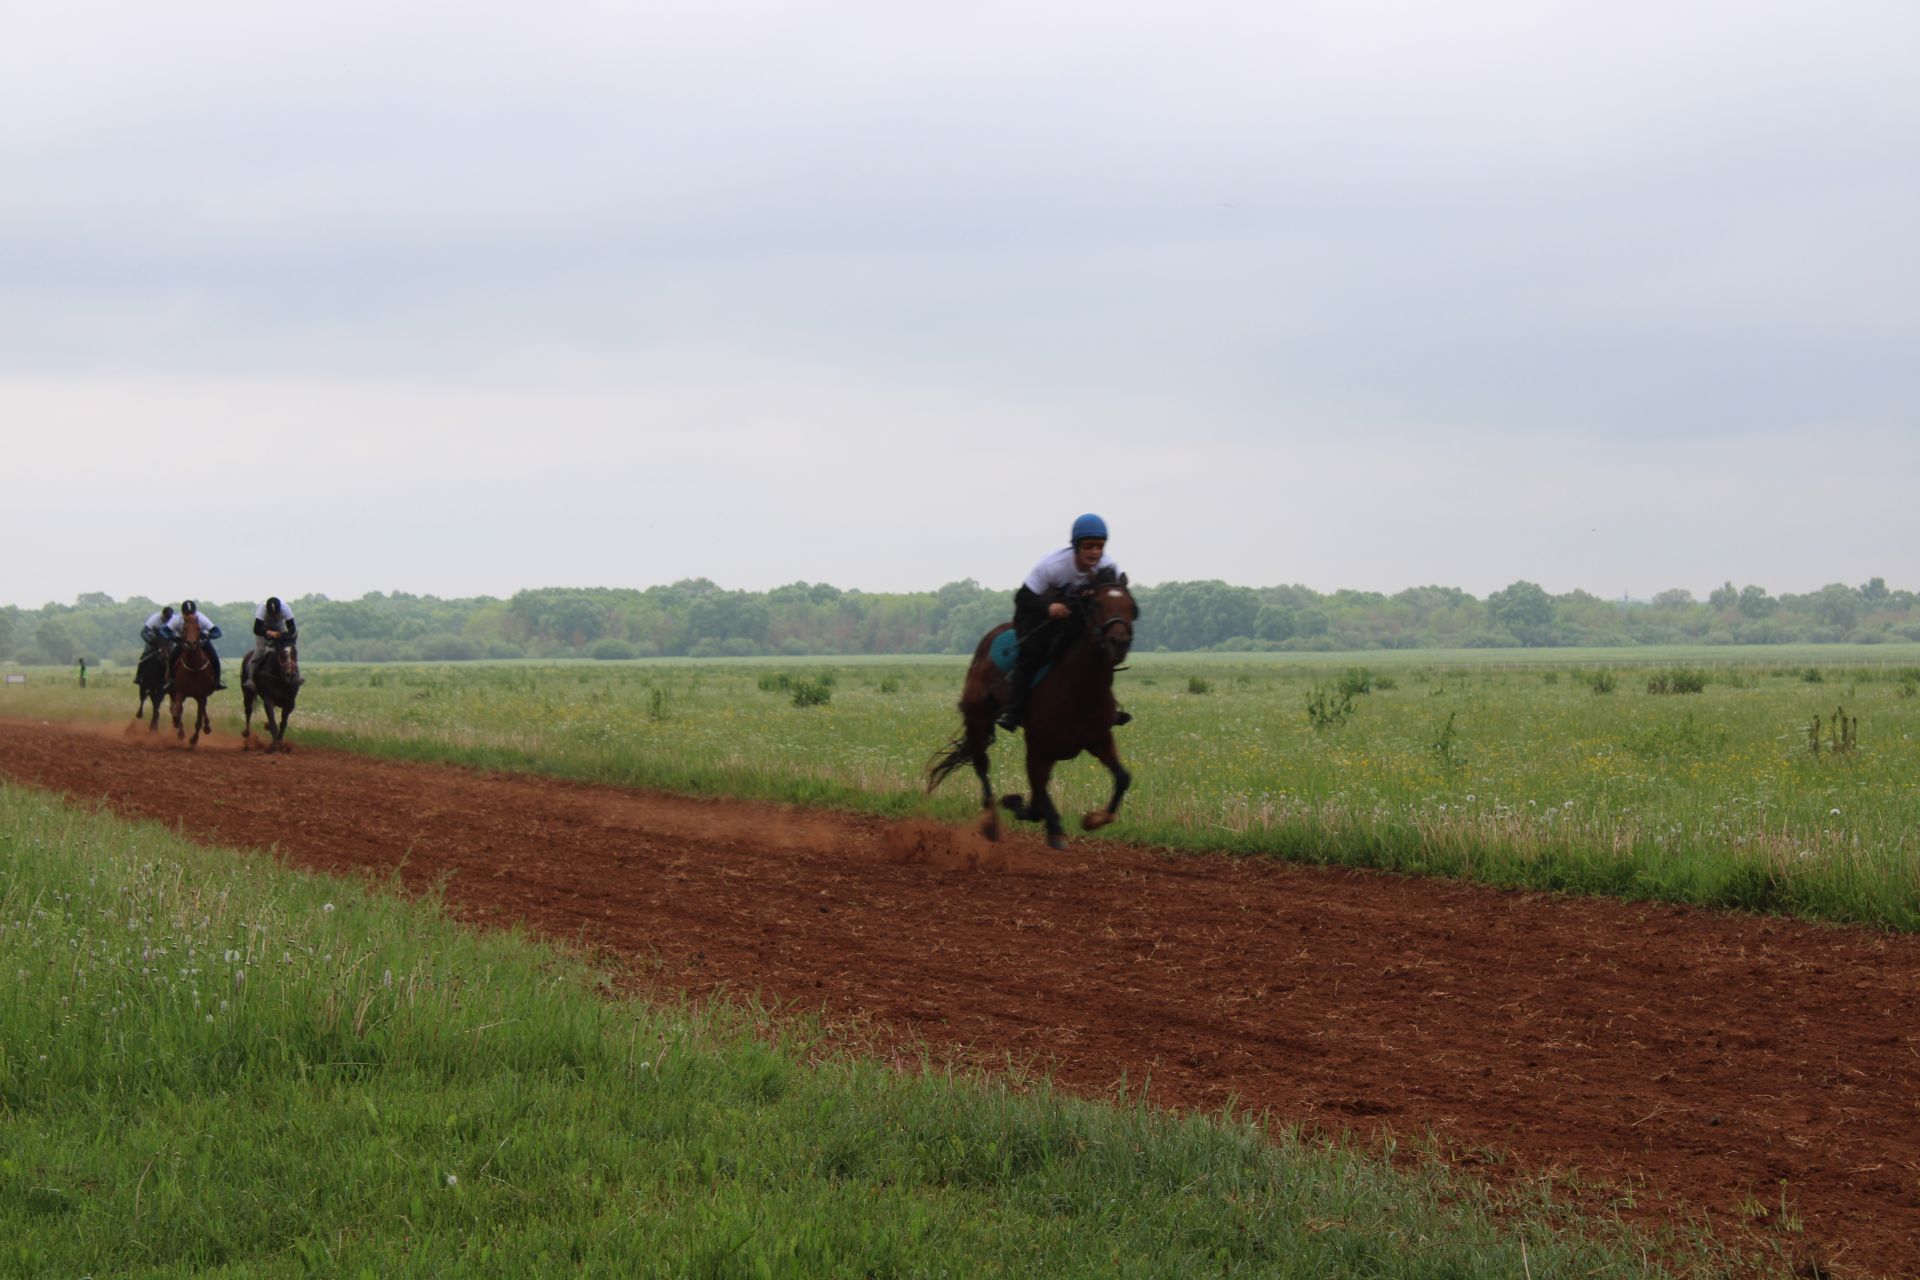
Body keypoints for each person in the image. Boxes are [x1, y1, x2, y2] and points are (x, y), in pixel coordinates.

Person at [998, 513, 1127, 731]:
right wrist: (1049, 607)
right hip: (1035, 613)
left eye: (1099, 546)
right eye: (1089, 546)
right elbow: (1023, 597)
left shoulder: (1107, 566)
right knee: (1035, 653)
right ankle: (1013, 710)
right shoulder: (1053, 566)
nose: (1095, 552)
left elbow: (1116, 589)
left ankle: (1106, 708)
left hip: (1074, 612)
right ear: (1076, 546)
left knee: (1097, 651)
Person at [167, 599, 227, 690]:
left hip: (201, 642)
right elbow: (164, 631)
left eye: (192, 613)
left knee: (214, 657)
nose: (190, 616)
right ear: (182, 614)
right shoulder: (176, 619)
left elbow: (217, 631)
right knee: (172, 657)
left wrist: (208, 635)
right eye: (187, 614)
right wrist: (174, 637)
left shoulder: (201, 618)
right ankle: (171, 681)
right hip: (183, 642)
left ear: (195, 613)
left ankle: (217, 681)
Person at [247, 596, 303, 689]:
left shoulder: (286, 609)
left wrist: (282, 635)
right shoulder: (262, 609)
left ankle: (296, 677)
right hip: (263, 628)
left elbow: (292, 629)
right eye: (271, 614)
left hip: (279, 627)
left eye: (275, 614)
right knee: (260, 650)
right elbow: (256, 629)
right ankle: (250, 678)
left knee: (289, 650)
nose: (273, 616)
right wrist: (268, 632)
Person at [136, 605, 176, 683]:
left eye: (168, 619)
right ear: (162, 614)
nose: (166, 620)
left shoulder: (174, 620)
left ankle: (174, 678)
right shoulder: (154, 619)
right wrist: (151, 641)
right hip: (154, 640)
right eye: (165, 618)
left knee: (175, 656)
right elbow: (143, 633)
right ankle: (139, 676)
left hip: (168, 641)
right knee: (145, 657)